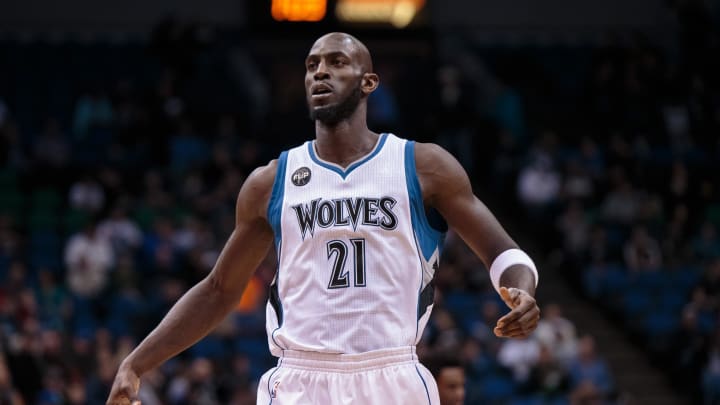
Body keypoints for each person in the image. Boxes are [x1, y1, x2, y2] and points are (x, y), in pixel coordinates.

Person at [106, 32, 540, 405]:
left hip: (391, 372)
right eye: (312, 65)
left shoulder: (423, 165)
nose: (320, 73)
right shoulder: (269, 181)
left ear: (368, 81)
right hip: (300, 378)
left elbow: (502, 250)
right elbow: (219, 290)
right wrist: (136, 363)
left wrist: (521, 289)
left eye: (337, 62)